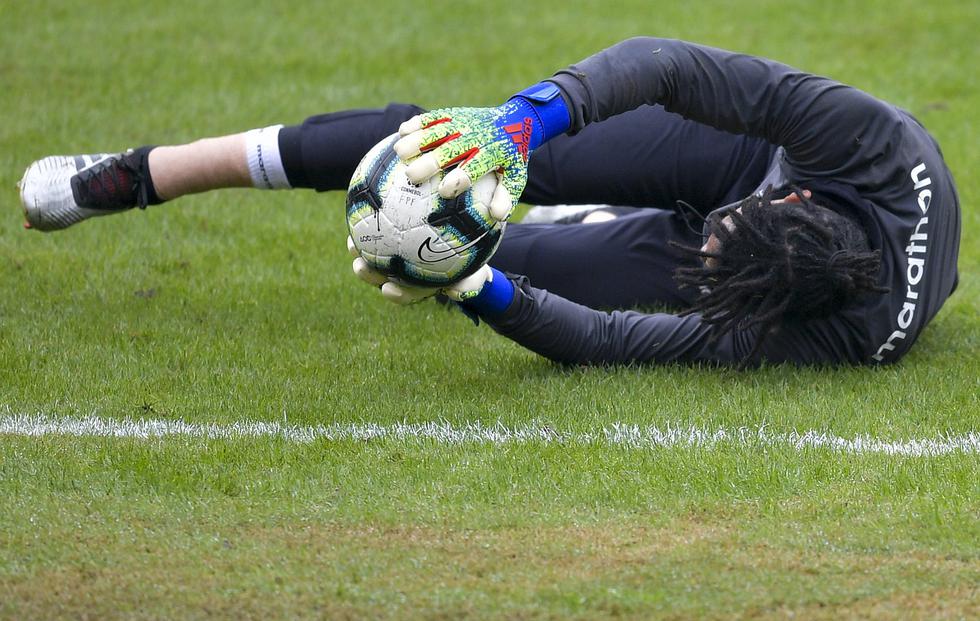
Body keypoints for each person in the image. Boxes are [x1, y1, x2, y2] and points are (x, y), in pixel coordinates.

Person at [18, 37, 960, 367]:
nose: (710, 243)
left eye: (719, 259)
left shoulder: (831, 337)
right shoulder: (874, 145)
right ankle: (148, 172)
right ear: (797, 192)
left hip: (781, 264)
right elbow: (668, 66)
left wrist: (476, 289)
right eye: (724, 238)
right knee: (441, 146)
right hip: (739, 154)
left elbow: (606, 342)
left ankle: (518, 243)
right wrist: (519, 123)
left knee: (488, 257)